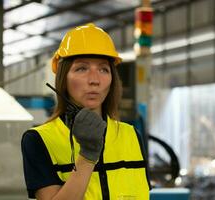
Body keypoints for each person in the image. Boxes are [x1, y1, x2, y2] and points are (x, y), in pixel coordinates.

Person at [21, 23, 151, 200]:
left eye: (103, 69)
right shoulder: (39, 140)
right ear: (62, 78)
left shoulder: (132, 136)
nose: (94, 80)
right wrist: (87, 156)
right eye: (82, 68)